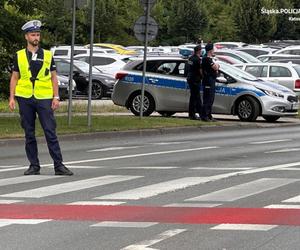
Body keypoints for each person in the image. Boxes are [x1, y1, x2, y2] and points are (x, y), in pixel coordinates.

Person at [8, 20, 73, 176]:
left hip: (44, 97)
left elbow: (53, 78)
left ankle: (59, 165)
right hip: (24, 97)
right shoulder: (19, 55)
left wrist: (56, 97)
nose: (36, 37)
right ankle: (34, 165)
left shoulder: (48, 55)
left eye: (37, 34)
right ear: (26, 37)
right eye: (33, 35)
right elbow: (14, 78)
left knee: (50, 132)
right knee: (29, 133)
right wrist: (11, 97)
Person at [201, 43, 220, 122]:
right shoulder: (206, 59)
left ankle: (209, 115)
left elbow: (216, 68)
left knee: (211, 99)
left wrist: (216, 67)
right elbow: (215, 67)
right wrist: (217, 65)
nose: (214, 51)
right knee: (207, 99)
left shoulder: (210, 59)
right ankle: (204, 116)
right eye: (213, 49)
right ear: (210, 50)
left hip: (211, 80)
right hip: (208, 81)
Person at [186, 45, 202, 120]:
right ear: (199, 51)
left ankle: (195, 113)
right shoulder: (197, 59)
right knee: (195, 97)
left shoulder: (191, 58)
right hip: (195, 80)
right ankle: (193, 114)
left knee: (194, 97)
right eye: (201, 50)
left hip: (190, 79)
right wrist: (203, 77)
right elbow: (200, 70)